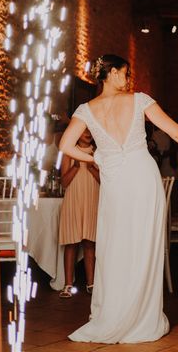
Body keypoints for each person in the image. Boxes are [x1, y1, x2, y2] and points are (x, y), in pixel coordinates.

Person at [59, 54, 178, 344]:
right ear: (113, 73)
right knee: (143, 246)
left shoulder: (85, 109)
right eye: (125, 73)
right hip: (143, 178)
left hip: (115, 180)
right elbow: (177, 132)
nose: (128, 79)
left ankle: (113, 316)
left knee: (114, 246)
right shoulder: (140, 100)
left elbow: (65, 145)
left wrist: (95, 158)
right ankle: (142, 318)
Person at [58, 128, 100, 298]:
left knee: (90, 242)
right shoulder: (69, 151)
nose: (88, 133)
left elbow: (104, 181)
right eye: (84, 130)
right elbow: (64, 183)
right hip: (74, 200)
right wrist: (76, 167)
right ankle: (68, 284)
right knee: (71, 243)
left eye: (91, 130)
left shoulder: (98, 153)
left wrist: (91, 168)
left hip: (92, 199)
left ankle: (91, 284)